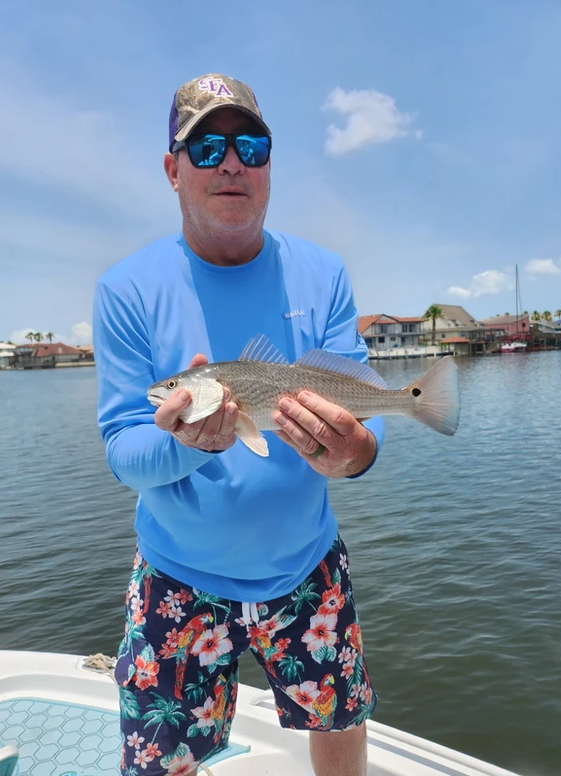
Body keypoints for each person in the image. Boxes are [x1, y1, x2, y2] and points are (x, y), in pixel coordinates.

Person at [93, 73, 384, 776]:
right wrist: (183, 443)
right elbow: (126, 452)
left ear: (268, 165)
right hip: (176, 575)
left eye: (251, 145)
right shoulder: (126, 290)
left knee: (338, 715)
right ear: (173, 168)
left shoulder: (323, 272)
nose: (232, 162)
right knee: (161, 762)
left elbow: (364, 405)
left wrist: (358, 454)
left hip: (306, 564)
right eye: (207, 146)